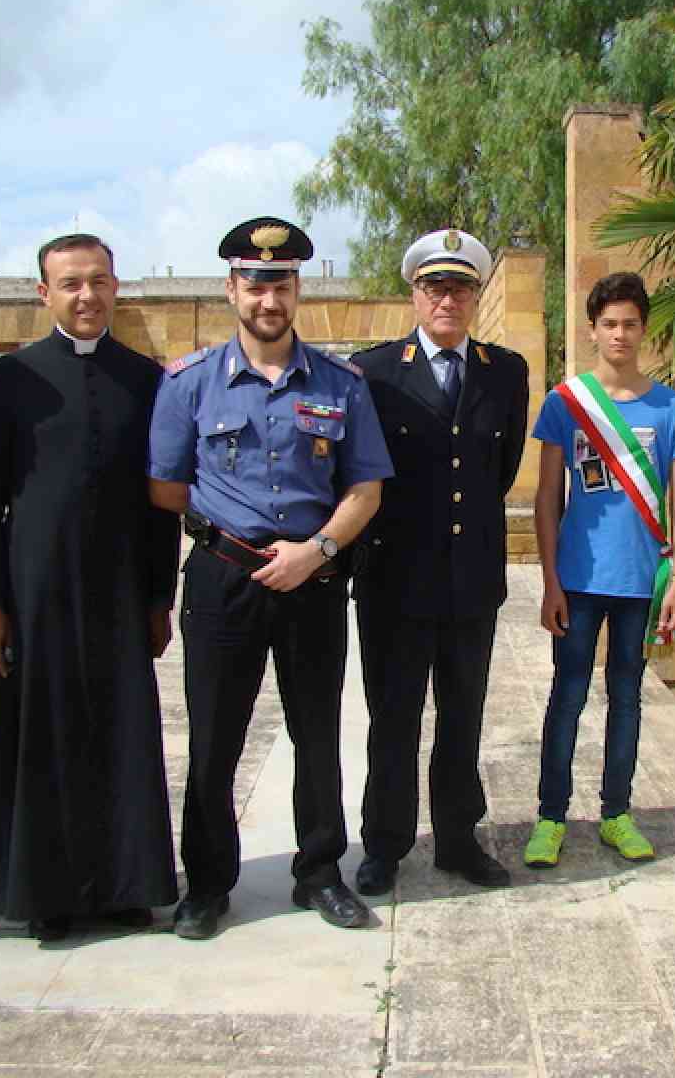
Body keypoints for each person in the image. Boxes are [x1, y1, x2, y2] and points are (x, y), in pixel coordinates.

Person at [148, 216, 393, 938]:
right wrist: (226, 532)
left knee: (317, 736)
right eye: (253, 282)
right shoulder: (190, 384)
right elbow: (165, 485)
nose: (267, 297)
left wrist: (315, 549)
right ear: (232, 289)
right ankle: (208, 884)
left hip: (312, 581)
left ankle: (319, 872)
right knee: (214, 740)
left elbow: (366, 489)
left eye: (280, 283)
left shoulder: (341, 384)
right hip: (225, 582)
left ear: (297, 291)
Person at [0, 233, 181, 941]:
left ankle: (126, 886)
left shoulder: (145, 380)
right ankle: (48, 895)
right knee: (46, 739)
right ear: (44, 293)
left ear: (116, 287)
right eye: (70, 284)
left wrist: (160, 597)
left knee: (122, 737)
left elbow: (160, 501)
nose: (86, 296)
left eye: (98, 282)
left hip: (120, 593)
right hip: (37, 594)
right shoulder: (13, 381)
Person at [351, 229, 530, 895]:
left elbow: (500, 466)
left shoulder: (504, 370)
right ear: (415, 294)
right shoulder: (372, 371)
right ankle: (385, 845)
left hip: (470, 580)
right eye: (435, 286)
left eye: (460, 286)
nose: (447, 298)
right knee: (392, 720)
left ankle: (457, 840)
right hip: (394, 581)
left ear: (477, 294)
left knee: (463, 719)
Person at [525, 272, 675, 868]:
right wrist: (549, 579)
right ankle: (550, 817)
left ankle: (617, 813)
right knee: (566, 697)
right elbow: (548, 496)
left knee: (628, 698)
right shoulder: (566, 403)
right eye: (609, 324)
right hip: (577, 577)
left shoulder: (671, 406)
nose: (620, 334)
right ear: (591, 330)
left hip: (641, 581)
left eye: (630, 323)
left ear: (643, 329)